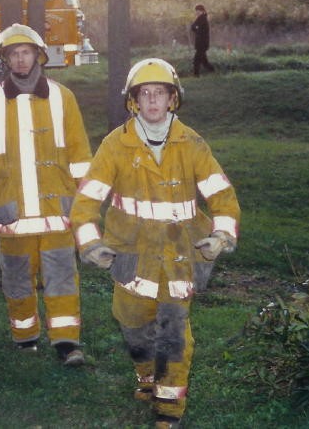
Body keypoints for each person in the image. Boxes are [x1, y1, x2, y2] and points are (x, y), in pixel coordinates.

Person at [70, 58, 240, 428]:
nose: (151, 101)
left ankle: (168, 411)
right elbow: (85, 203)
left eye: (159, 93)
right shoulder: (116, 145)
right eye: (144, 93)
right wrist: (91, 245)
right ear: (133, 101)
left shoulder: (192, 143)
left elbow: (223, 199)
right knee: (132, 324)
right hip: (131, 257)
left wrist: (220, 236)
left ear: (172, 99)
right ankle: (146, 374)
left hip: (180, 257)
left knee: (174, 334)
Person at [0, 24, 92, 366]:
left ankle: (67, 343)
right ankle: (25, 337)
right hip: (12, 216)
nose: (21, 60)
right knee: (18, 280)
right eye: (13, 54)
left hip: (58, 215)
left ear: (38, 55)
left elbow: (81, 156)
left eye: (26, 53)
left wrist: (88, 204)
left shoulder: (63, 97)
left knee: (62, 280)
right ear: (5, 60)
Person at [190, 4, 215, 77]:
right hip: (200, 43)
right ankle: (212, 70)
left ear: (202, 11)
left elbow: (197, 28)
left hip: (202, 43)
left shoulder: (202, 18)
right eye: (196, 11)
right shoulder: (200, 18)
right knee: (204, 61)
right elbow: (193, 27)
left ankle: (196, 75)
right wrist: (197, 28)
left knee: (196, 60)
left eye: (198, 11)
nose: (197, 12)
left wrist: (197, 28)